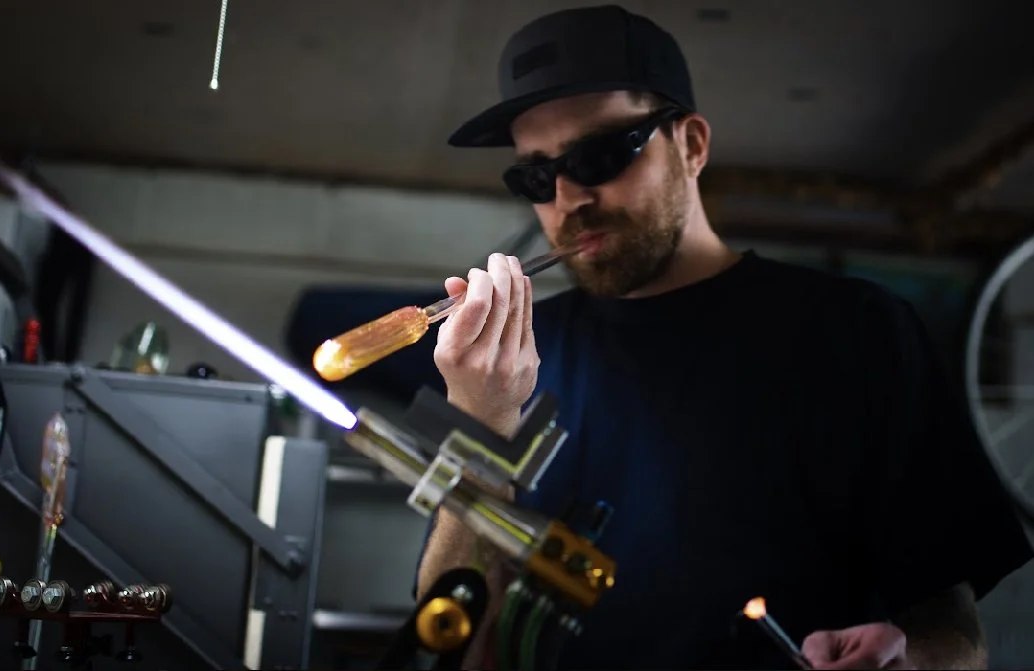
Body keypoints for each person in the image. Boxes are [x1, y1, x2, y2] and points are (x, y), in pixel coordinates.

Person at [414, 4, 1033, 670]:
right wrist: (479, 425)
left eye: (598, 155)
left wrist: (909, 661)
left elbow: (953, 629)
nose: (567, 199)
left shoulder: (856, 332)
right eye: (535, 176)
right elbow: (450, 639)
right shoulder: (512, 363)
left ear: (692, 145)